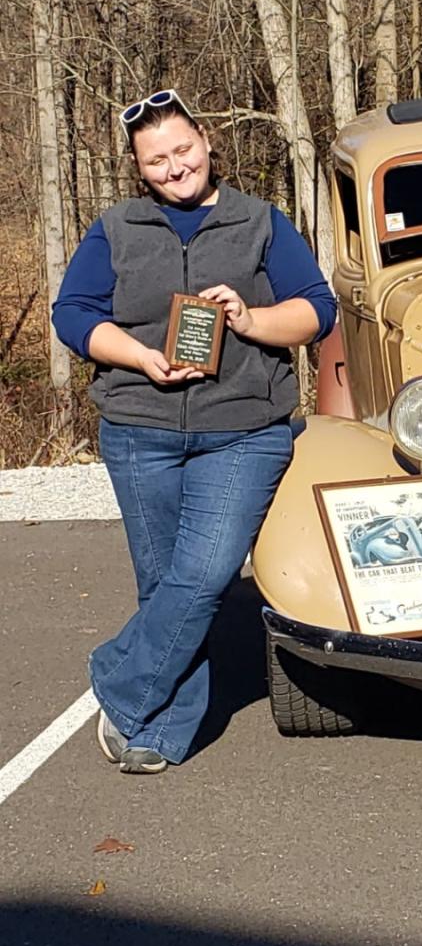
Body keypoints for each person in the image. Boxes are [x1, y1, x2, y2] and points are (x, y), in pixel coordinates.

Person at [52, 88, 336, 773]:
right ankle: (160, 729)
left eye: (182, 149)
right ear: (138, 168)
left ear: (206, 140)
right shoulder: (116, 228)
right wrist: (140, 356)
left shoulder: (260, 222)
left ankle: (118, 679)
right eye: (156, 160)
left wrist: (249, 319)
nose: (175, 167)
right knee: (163, 586)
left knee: (205, 577)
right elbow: (73, 314)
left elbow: (316, 310)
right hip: (138, 427)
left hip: (243, 430)